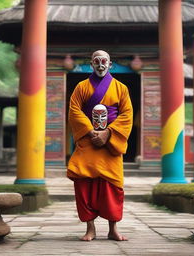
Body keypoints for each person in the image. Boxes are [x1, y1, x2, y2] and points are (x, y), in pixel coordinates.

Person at [67, 50, 133, 241]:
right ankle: (90, 229)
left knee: (113, 186)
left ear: (110, 64)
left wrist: (108, 133)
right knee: (83, 184)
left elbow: (126, 114)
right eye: (97, 61)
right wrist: (90, 132)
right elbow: (74, 111)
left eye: (104, 61)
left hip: (110, 144)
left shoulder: (121, 88)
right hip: (88, 142)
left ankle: (113, 229)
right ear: (91, 64)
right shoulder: (81, 87)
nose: (101, 64)